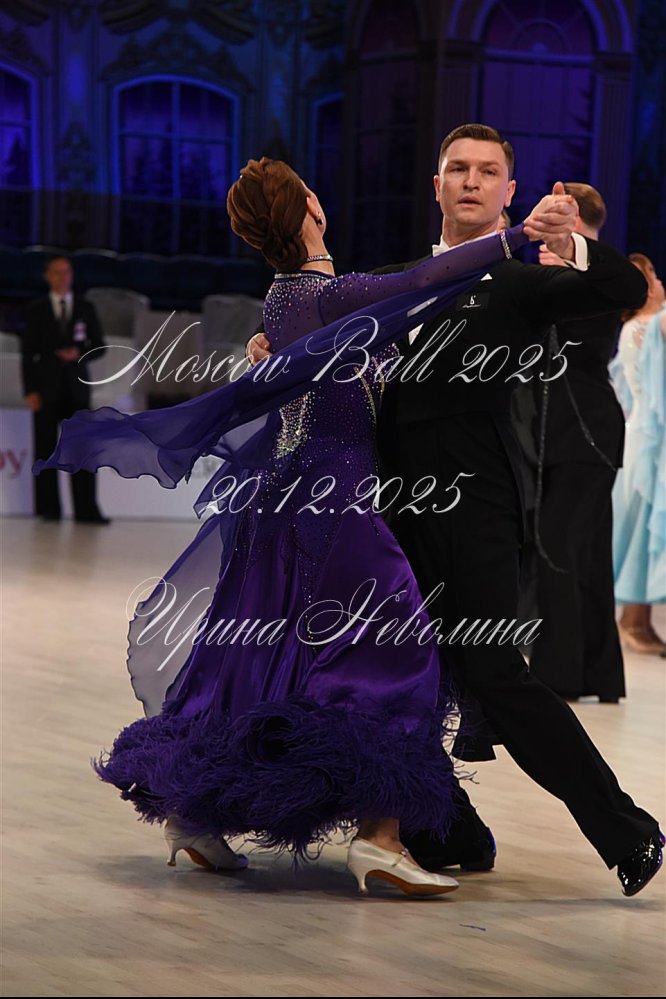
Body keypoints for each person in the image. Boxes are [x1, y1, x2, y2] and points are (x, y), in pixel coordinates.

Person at [33, 157, 560, 896]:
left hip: (281, 499)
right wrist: (513, 238)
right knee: (398, 652)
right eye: (311, 192)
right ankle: (379, 837)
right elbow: (419, 280)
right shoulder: (326, 292)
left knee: (253, 658)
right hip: (334, 500)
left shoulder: (284, 297)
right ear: (309, 211)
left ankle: (193, 815)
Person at [249, 124, 663, 896]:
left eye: (488, 171)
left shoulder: (520, 281)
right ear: (436, 186)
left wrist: (569, 241)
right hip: (383, 513)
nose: (472, 180)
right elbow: (313, 337)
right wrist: (270, 346)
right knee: (395, 674)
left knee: (495, 673)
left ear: (510, 191)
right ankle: (445, 827)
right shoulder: (392, 281)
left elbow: (622, 292)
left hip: (476, 510)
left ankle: (627, 831)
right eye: (457, 169)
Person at [524, 183, 626, 701]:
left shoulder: (598, 280)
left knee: (557, 549)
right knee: (584, 554)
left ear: (575, 221)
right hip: (577, 431)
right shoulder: (570, 279)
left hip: (583, 433)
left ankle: (557, 674)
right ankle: (598, 675)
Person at [21, 255, 110, 524]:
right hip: (46, 389)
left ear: (72, 275)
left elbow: (100, 346)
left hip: (76, 388)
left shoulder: (85, 307)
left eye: (66, 272)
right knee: (45, 450)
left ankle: (86, 510)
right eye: (57, 273)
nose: (62, 277)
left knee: (82, 449)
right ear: (47, 276)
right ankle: (49, 509)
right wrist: (30, 390)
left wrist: (78, 353)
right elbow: (28, 354)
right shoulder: (36, 309)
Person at [610, 253, 666, 654]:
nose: (661, 283)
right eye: (654, 277)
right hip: (646, 437)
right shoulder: (647, 326)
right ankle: (632, 621)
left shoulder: (636, 327)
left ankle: (638, 620)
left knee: (643, 523)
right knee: (642, 524)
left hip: (641, 433)